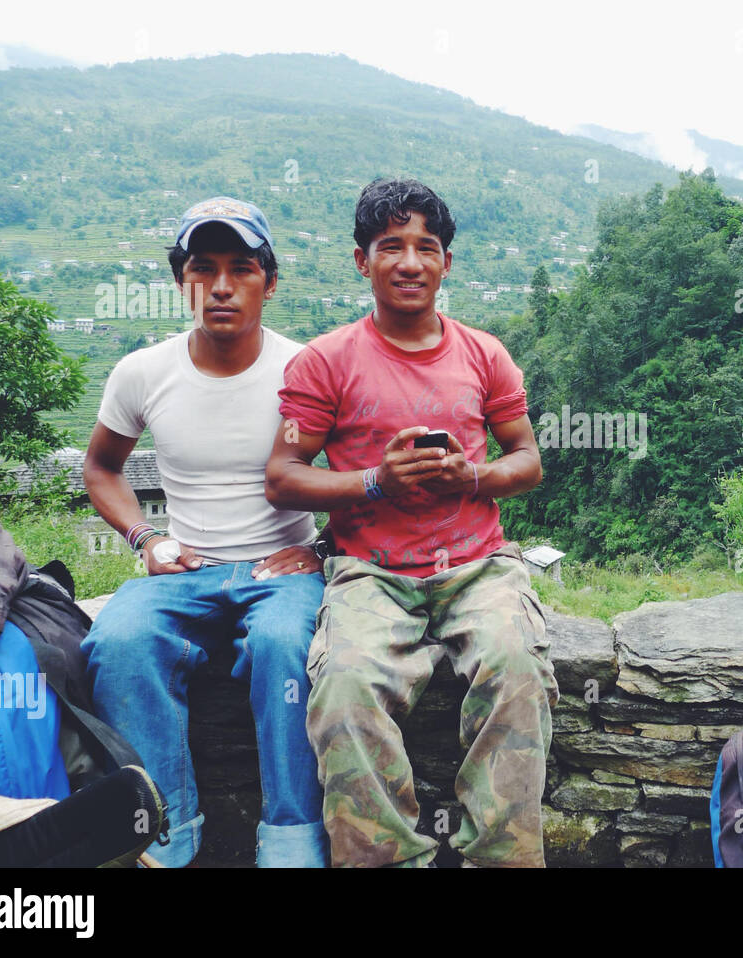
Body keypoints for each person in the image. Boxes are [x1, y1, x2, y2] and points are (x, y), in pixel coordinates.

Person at [266, 178, 558, 868]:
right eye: (390, 246)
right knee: (342, 688)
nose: (409, 262)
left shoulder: (484, 354)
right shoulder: (325, 361)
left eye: (426, 247)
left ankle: (499, 857)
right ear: (362, 261)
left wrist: (473, 477)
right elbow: (282, 477)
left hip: (478, 564)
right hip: (371, 571)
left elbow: (528, 460)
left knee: (517, 671)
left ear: (445, 263)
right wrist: (375, 481)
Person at [80, 197, 327, 868]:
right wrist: (144, 539)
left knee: (287, 647)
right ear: (181, 281)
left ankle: (292, 842)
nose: (221, 286)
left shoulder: (306, 371)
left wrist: (323, 547)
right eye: (203, 268)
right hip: (185, 571)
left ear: (269, 282)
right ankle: (164, 838)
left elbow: (360, 474)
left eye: (242, 268)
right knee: (119, 641)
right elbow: (101, 467)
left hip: (280, 577)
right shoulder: (144, 372)